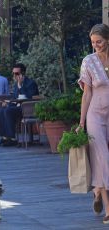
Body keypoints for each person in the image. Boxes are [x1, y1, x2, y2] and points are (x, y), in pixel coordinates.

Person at [77, 23, 109, 224]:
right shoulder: (88, 61)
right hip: (95, 114)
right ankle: (108, 208)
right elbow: (87, 94)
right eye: (93, 42)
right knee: (102, 158)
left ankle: (97, 190)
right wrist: (81, 122)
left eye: (99, 41)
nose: (96, 45)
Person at [0, 63, 39, 147]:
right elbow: (15, 97)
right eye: (13, 73)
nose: (14, 75)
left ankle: (12, 138)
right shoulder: (16, 84)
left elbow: (29, 97)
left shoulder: (31, 83)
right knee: (1, 110)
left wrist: (21, 86)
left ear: (23, 73)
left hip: (27, 109)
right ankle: (5, 137)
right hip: (17, 107)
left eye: (16, 73)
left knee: (8, 111)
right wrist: (7, 102)